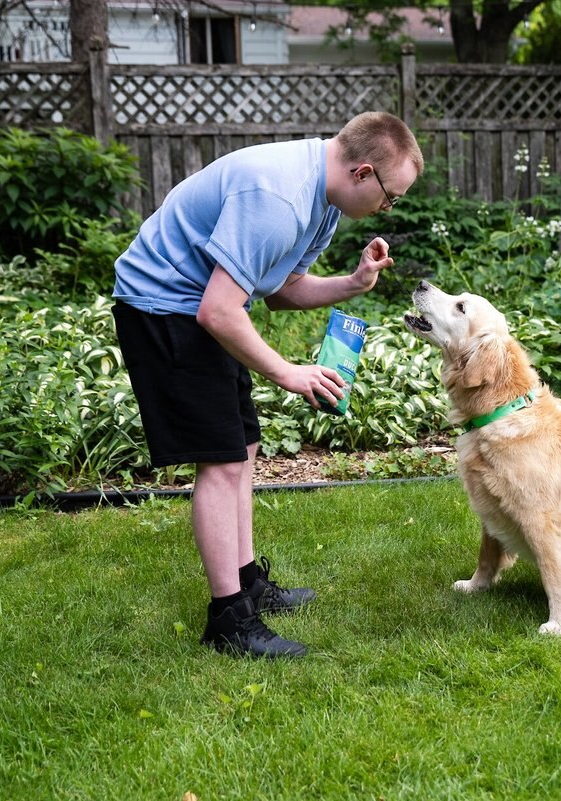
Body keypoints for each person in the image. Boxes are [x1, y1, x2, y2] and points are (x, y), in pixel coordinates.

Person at [113, 111, 424, 659]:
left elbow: (278, 290)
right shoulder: (280, 198)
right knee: (222, 460)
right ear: (363, 172)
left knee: (243, 447)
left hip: (201, 306)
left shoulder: (322, 203)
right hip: (163, 306)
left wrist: (353, 283)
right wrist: (287, 372)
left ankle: (248, 581)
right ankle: (228, 618)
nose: (386, 208)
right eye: (389, 197)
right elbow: (218, 311)